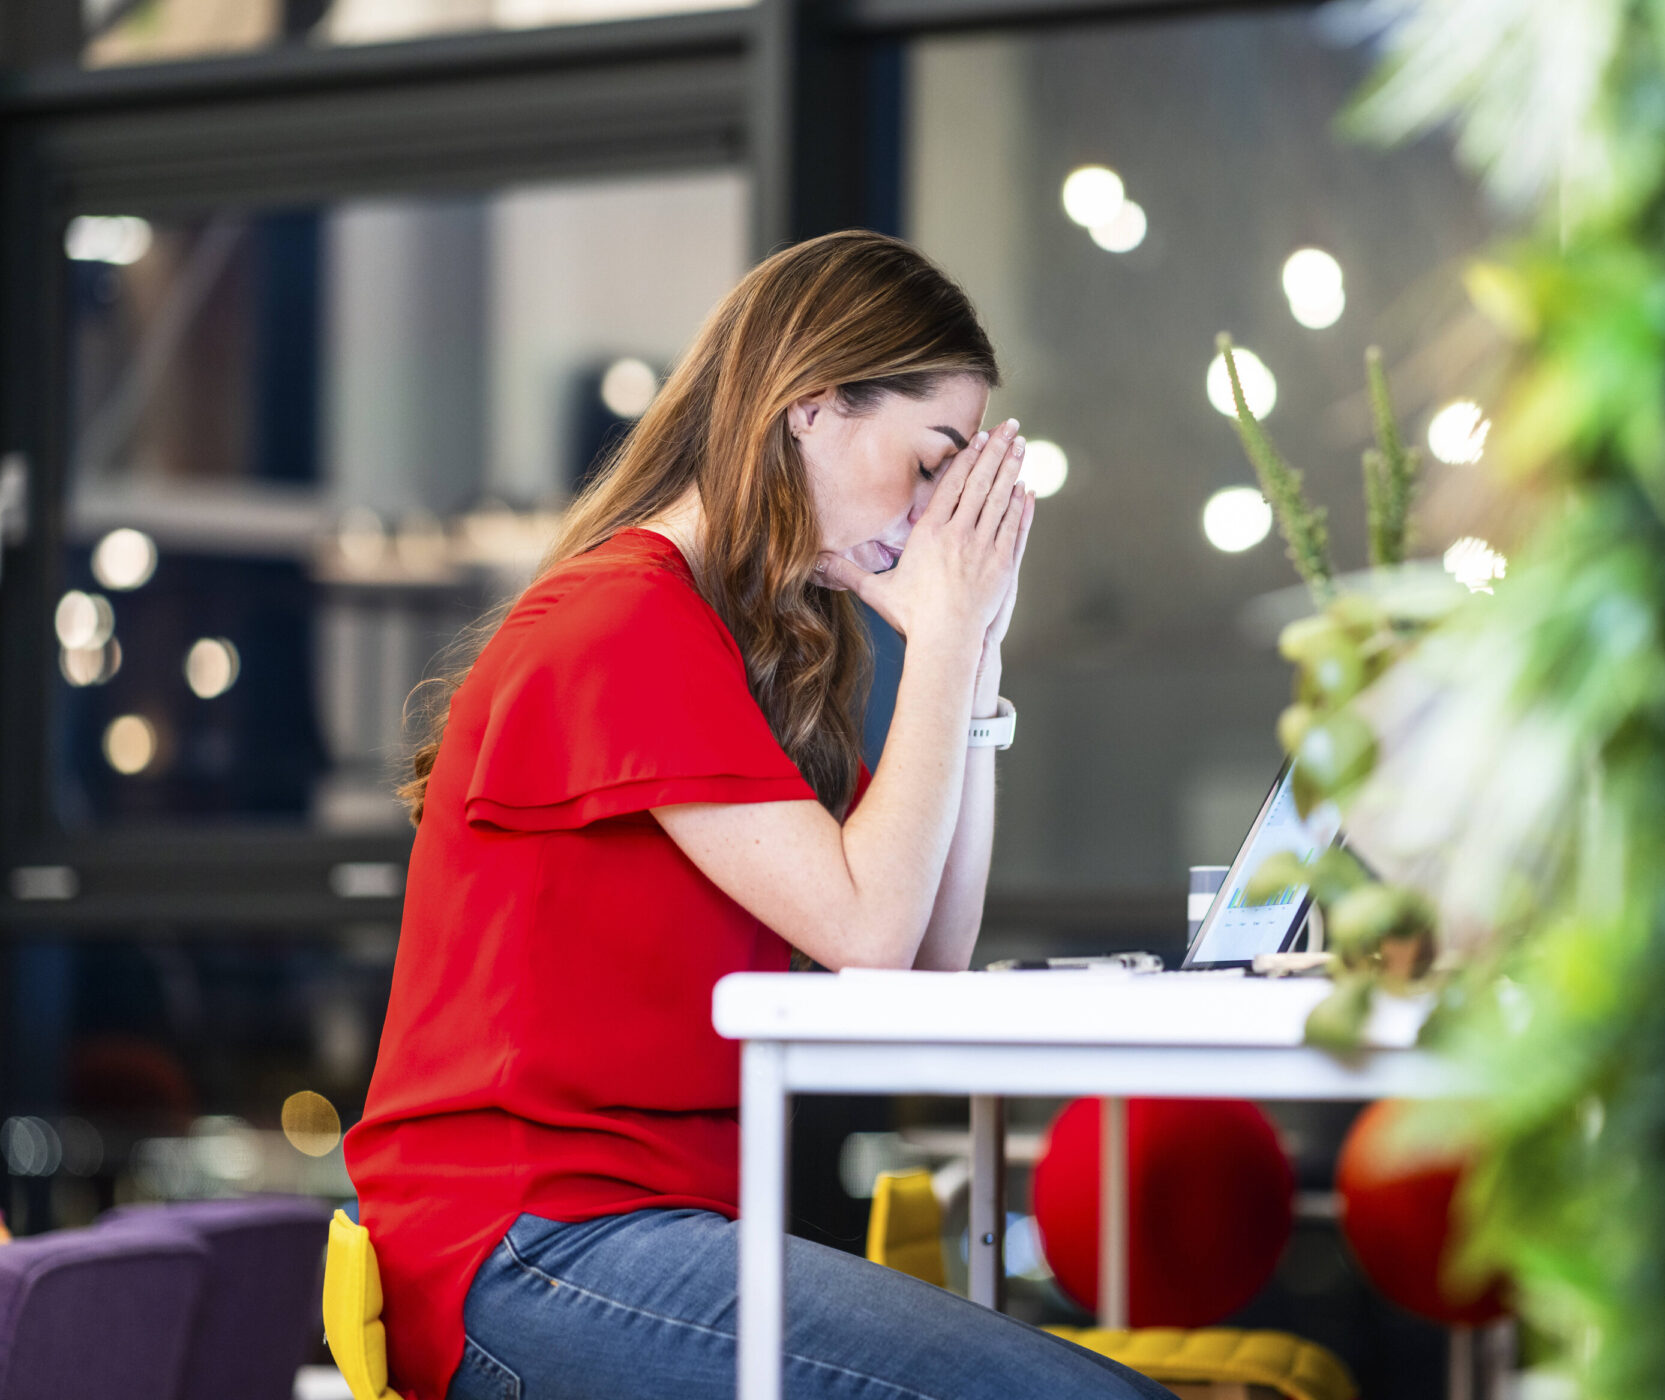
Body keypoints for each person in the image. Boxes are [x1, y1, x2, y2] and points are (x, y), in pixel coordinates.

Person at [344, 232, 1170, 1400]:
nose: (939, 518)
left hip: (624, 1228)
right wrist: (939, 634)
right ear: (814, 407)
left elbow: (920, 965)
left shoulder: (703, 628)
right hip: (530, 1243)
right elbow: (873, 931)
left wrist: (973, 654)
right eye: (929, 464)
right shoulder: (624, 618)